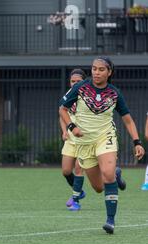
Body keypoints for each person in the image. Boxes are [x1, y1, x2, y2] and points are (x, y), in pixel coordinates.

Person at [59, 56, 145, 234]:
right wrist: (71, 127)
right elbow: (62, 109)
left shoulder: (114, 93)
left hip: (105, 137)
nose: (96, 72)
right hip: (84, 142)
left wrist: (137, 142)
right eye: (94, 69)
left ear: (109, 72)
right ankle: (117, 174)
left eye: (101, 69)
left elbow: (127, 120)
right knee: (98, 188)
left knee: (107, 174)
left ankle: (110, 221)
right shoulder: (80, 88)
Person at [60, 69, 87, 211]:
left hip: (84, 140)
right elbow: (62, 114)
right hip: (71, 140)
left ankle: (75, 200)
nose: (75, 84)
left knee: (79, 169)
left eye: (78, 81)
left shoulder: (90, 97)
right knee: (65, 171)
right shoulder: (68, 96)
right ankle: (80, 192)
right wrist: (65, 131)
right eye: (73, 81)